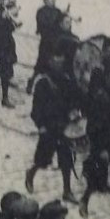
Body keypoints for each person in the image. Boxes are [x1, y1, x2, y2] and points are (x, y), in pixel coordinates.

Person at [24, 51, 77, 202]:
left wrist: (74, 112)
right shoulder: (43, 83)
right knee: (43, 159)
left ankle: (67, 191)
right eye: (56, 61)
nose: (60, 64)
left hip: (64, 127)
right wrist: (41, 126)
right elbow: (36, 110)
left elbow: (73, 101)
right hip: (49, 128)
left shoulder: (67, 81)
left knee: (66, 160)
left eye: (62, 61)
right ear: (51, 63)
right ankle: (31, 173)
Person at [26, 0, 66, 94]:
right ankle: (31, 82)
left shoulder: (57, 11)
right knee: (40, 66)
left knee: (54, 66)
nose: (54, 2)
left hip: (56, 43)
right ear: (45, 0)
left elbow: (62, 26)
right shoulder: (41, 11)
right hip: (46, 43)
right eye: (51, 0)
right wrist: (58, 19)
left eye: (54, 0)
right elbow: (44, 26)